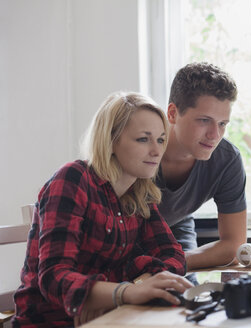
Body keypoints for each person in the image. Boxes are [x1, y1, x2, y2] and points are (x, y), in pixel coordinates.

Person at [12, 91, 193, 327]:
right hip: (51, 321)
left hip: (113, 316)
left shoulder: (139, 194)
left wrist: (134, 287)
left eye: (160, 139)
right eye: (143, 139)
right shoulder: (73, 179)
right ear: (111, 140)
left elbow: (174, 255)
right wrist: (122, 293)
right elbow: (54, 276)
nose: (157, 151)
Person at [156, 62, 247, 270]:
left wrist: (171, 264)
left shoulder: (226, 160)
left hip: (176, 231)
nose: (215, 135)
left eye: (223, 123)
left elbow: (235, 246)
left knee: (184, 294)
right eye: (204, 120)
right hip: (125, 238)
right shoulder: (139, 150)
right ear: (172, 113)